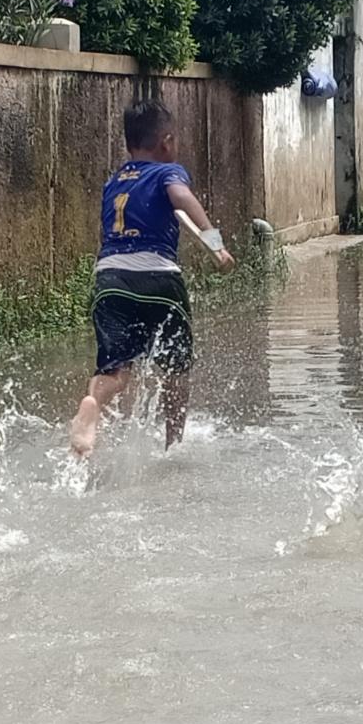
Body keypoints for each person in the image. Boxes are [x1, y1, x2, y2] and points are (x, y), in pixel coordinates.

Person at [69, 100, 235, 457]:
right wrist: (215, 244)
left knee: (115, 372)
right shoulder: (167, 173)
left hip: (110, 278)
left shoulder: (114, 181)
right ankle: (172, 446)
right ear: (167, 141)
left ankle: (91, 404)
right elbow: (181, 197)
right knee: (175, 371)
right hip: (158, 279)